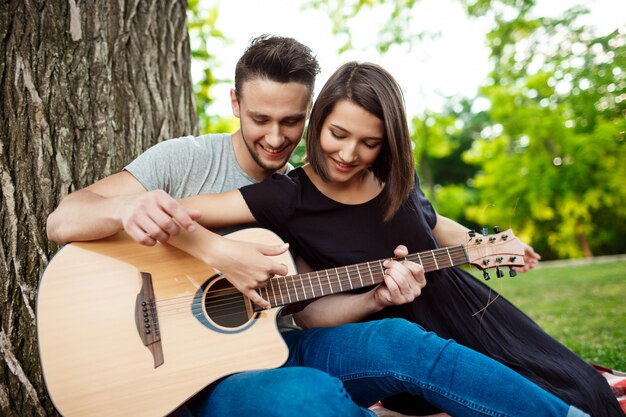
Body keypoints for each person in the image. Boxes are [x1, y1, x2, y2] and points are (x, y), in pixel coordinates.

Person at [164, 61, 596, 417]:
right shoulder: (286, 196)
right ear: (318, 122)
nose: (349, 154)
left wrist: (485, 246)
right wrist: (213, 248)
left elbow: (430, 222)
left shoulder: (395, 177)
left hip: (467, 311)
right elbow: (177, 213)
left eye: (369, 143)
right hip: (402, 336)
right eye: (338, 134)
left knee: (583, 391)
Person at [47, 35, 411, 417]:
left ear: (309, 114)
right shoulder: (186, 159)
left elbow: (303, 312)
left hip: (243, 377)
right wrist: (197, 242)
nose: (275, 138)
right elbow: (62, 220)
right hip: (149, 374)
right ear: (235, 103)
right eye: (260, 119)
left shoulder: (304, 198)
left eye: (290, 121)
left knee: (322, 386)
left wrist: (375, 298)